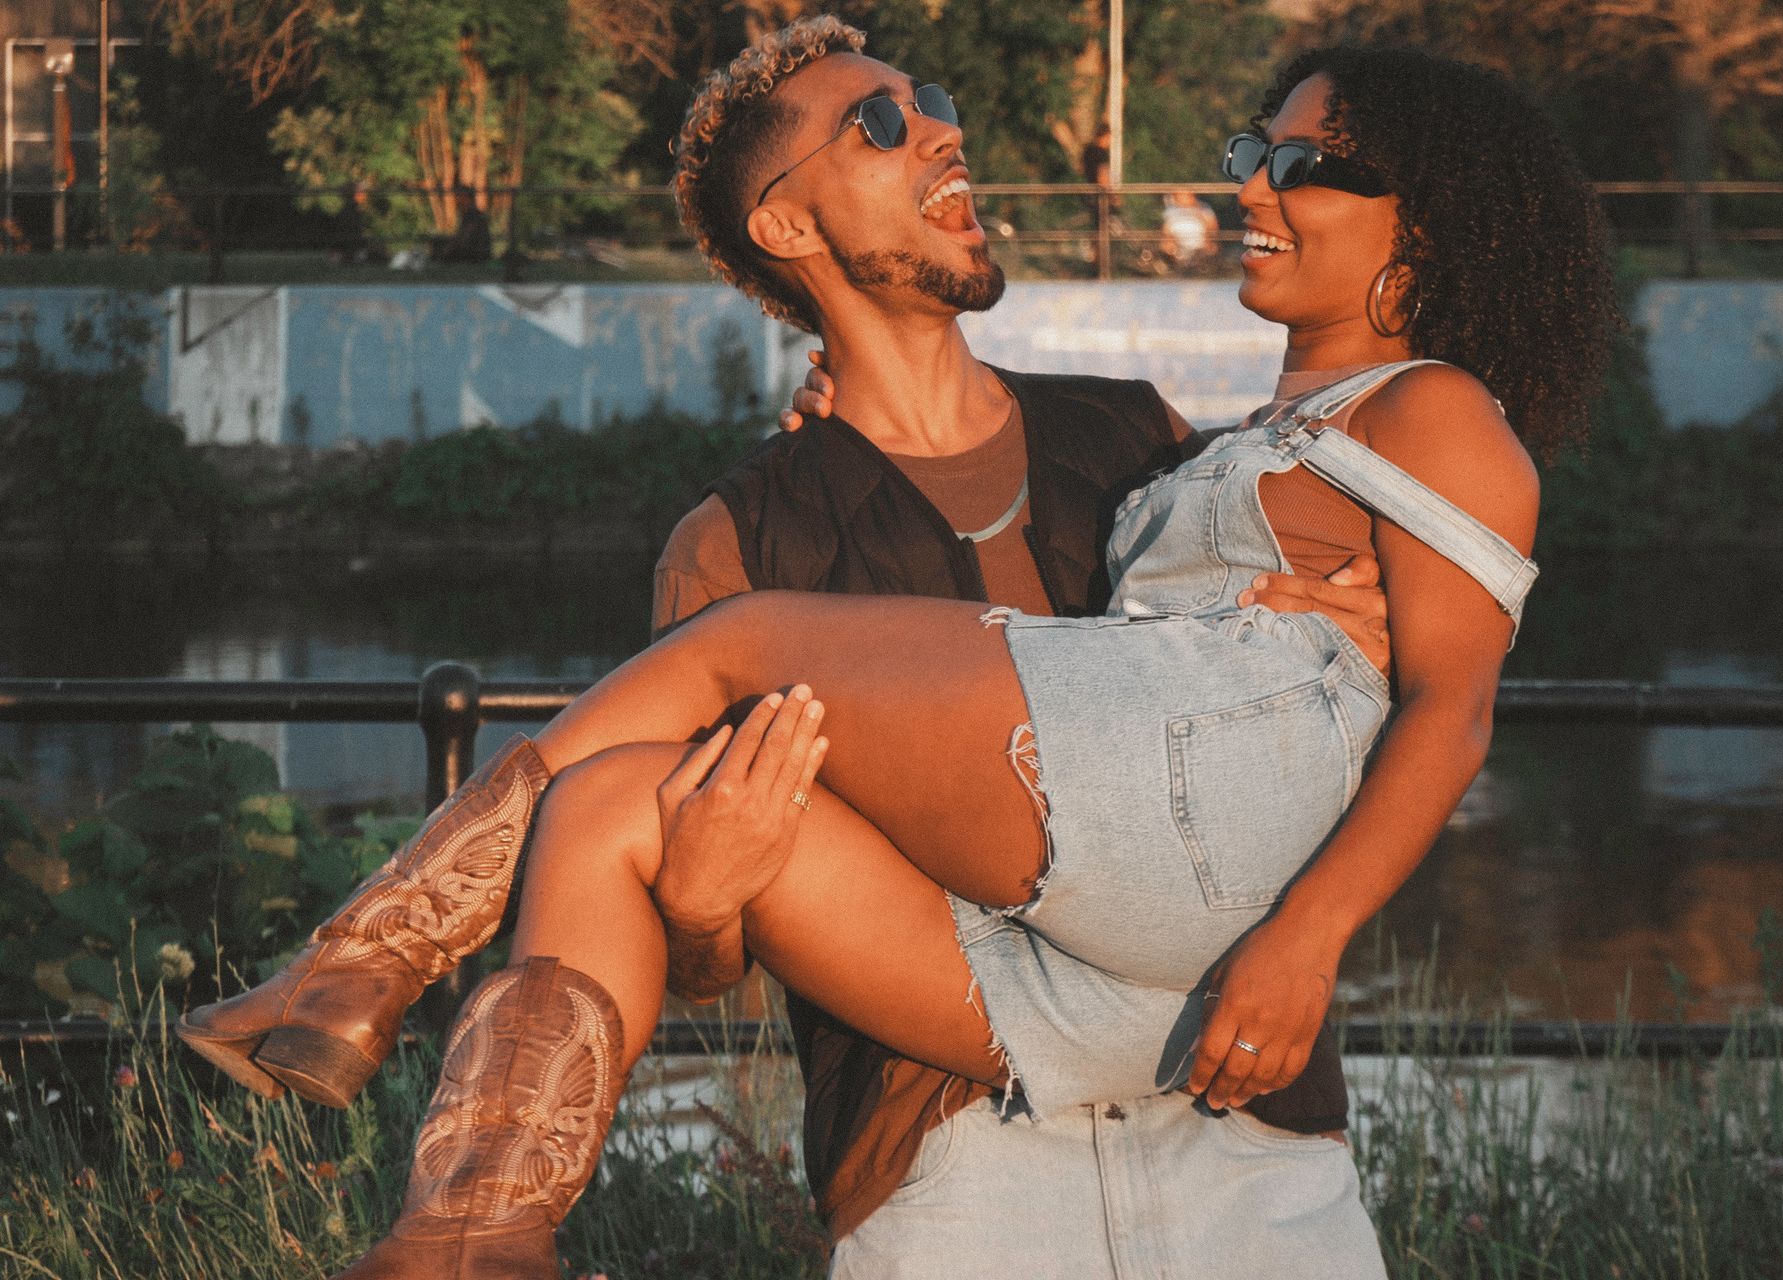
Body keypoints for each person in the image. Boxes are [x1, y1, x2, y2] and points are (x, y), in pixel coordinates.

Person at [181, 22, 1619, 1280]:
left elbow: (1305, 627)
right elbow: (706, 957)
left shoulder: (1132, 438)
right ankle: (470, 1239)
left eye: (930, 96)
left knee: (743, 657)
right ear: (791, 228)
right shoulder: (739, 538)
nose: (940, 125)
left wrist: (1348, 653)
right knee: (612, 797)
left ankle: (356, 964)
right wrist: (702, 903)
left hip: (1240, 1131)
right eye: (882, 120)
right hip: (956, 1148)